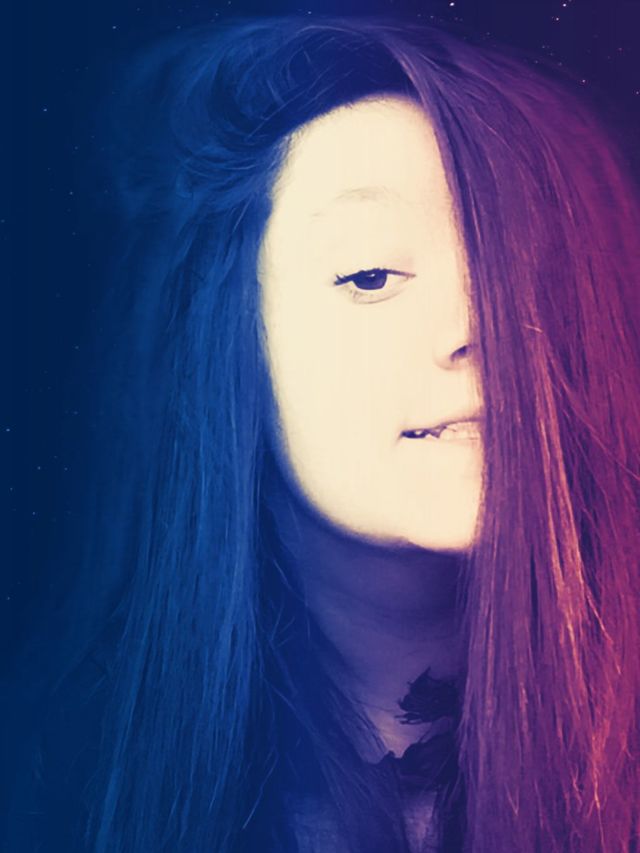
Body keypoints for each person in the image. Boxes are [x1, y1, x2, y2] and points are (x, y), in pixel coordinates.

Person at [6, 13, 640, 853]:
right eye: (371, 275)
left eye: (522, 270)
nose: (476, 326)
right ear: (228, 338)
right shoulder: (61, 780)